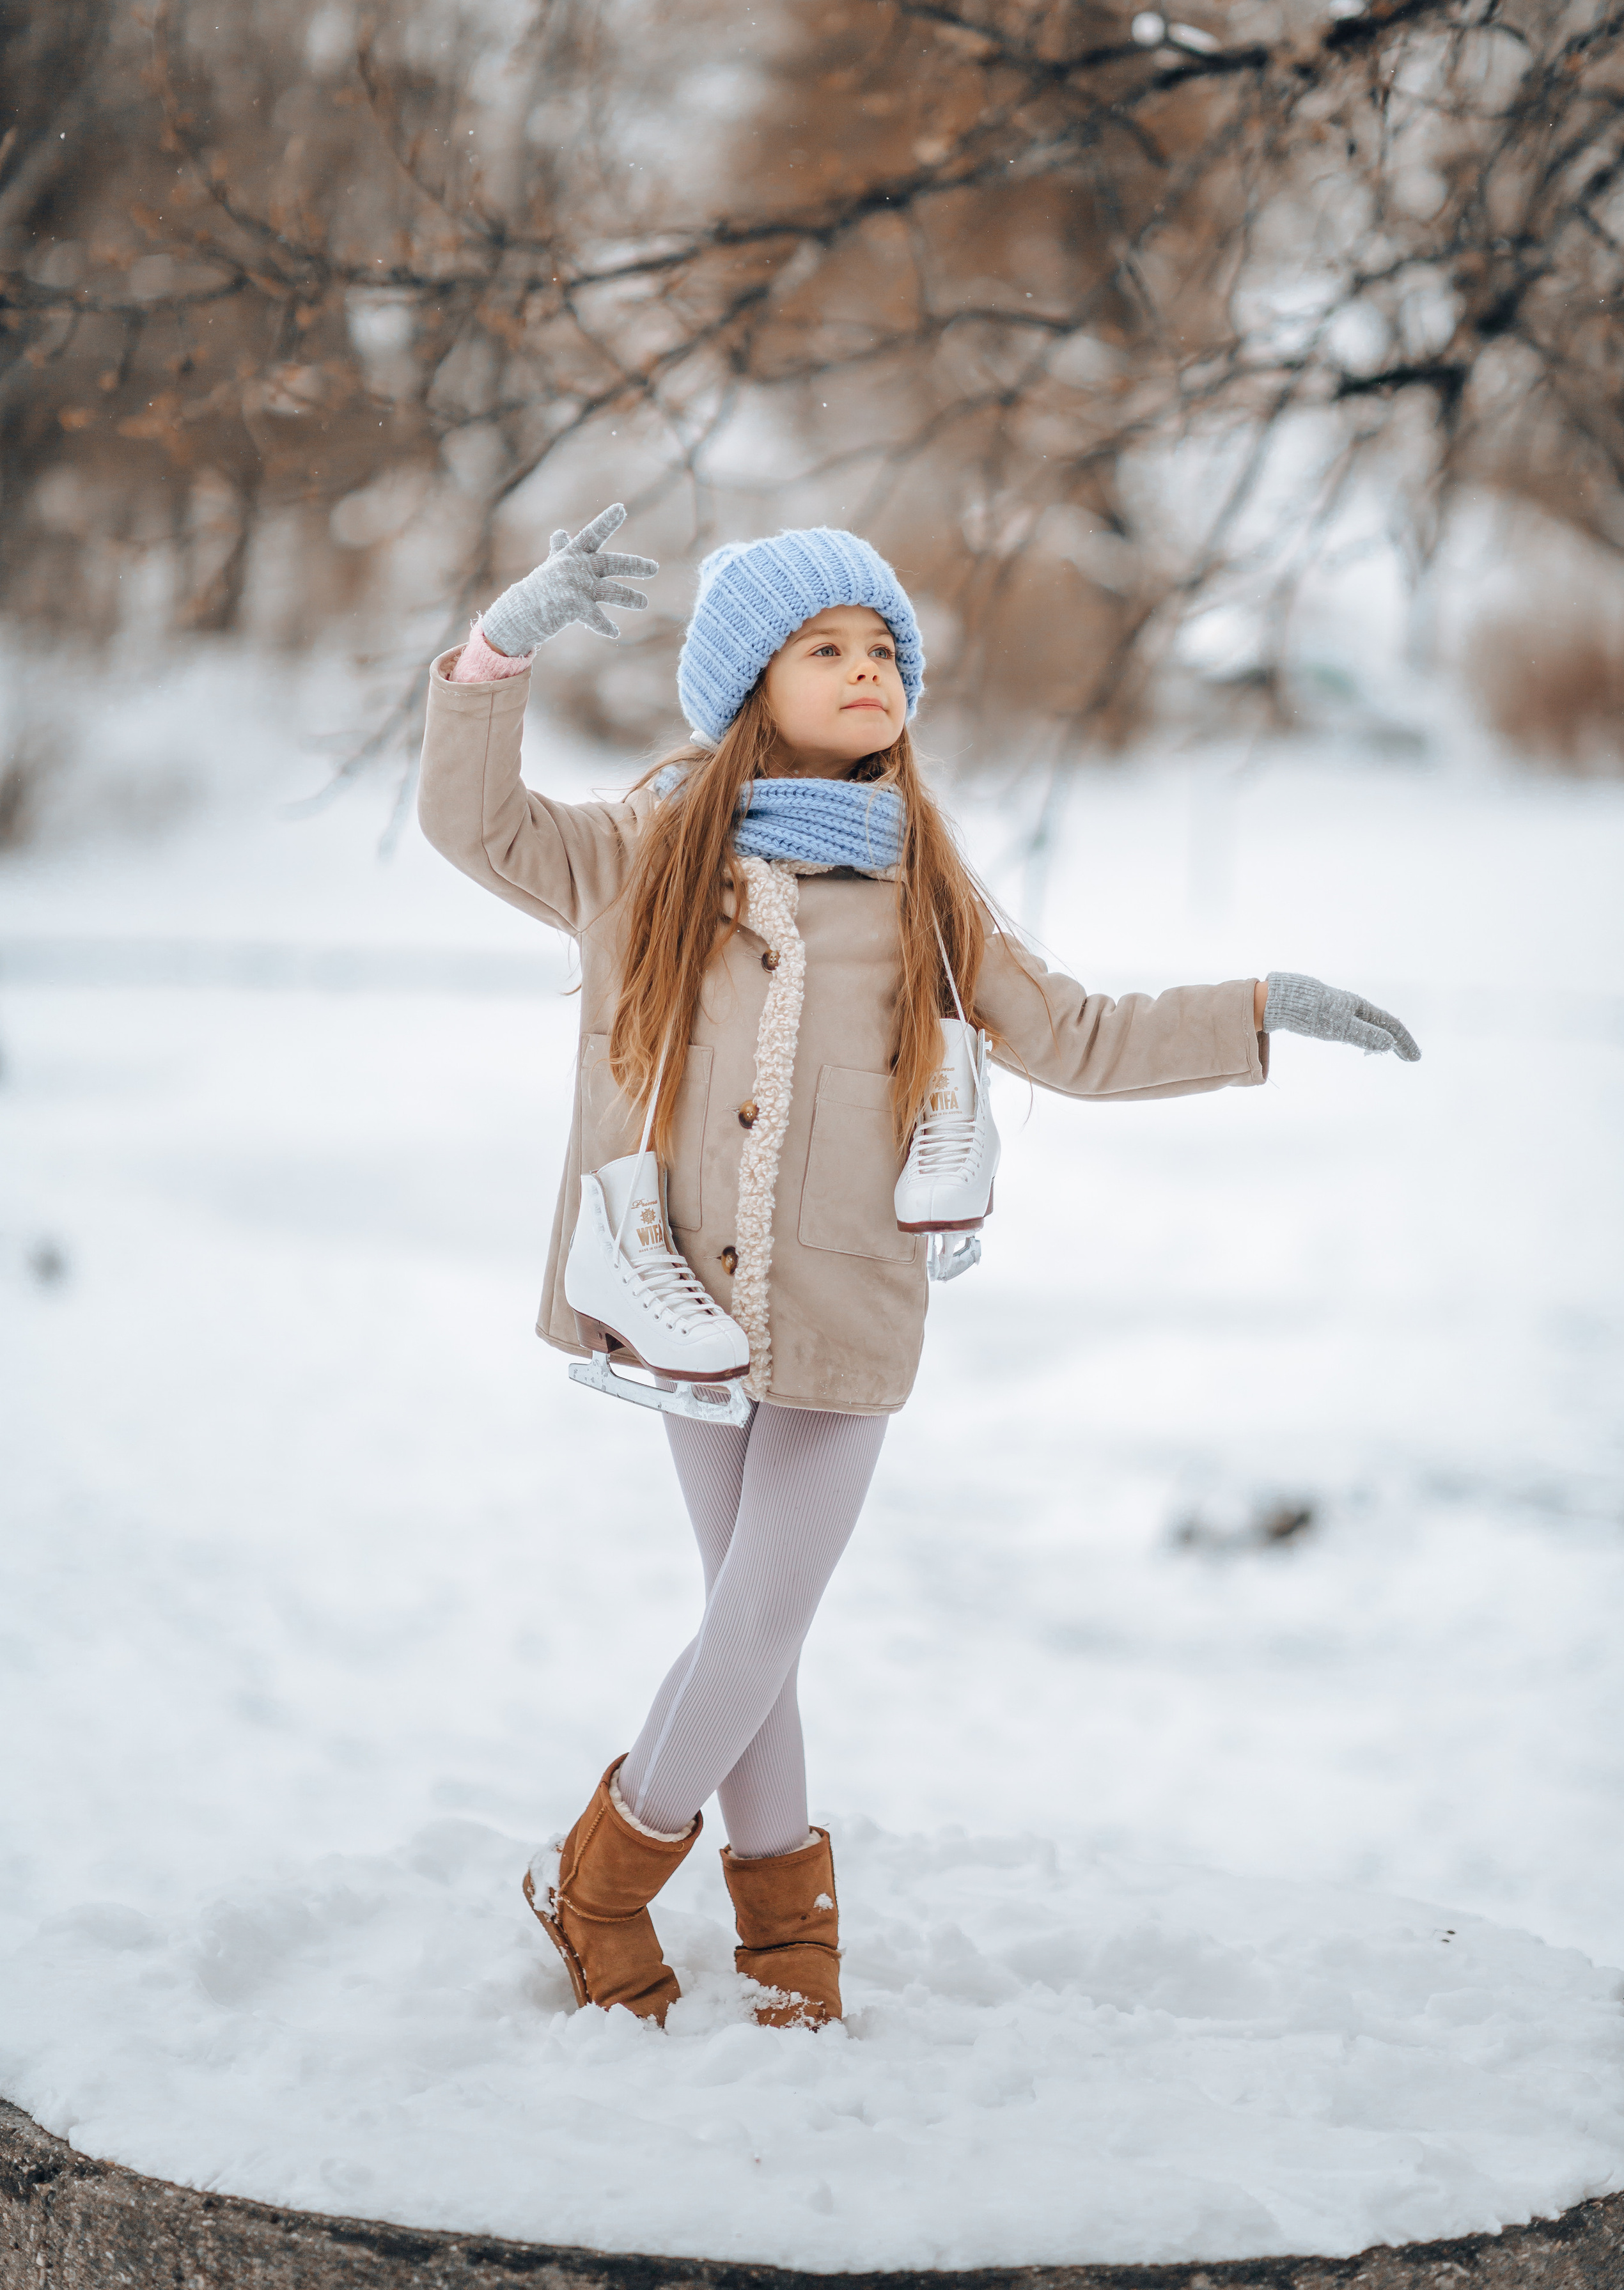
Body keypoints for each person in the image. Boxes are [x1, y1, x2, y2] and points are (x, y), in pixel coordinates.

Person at [418, 504, 1419, 2034]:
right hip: (680, 1298)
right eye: (825, 646)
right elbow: (471, 827)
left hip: (839, 1304)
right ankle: (784, 1944)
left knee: (755, 1622)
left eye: (883, 647)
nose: (866, 668)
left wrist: (1259, 1011)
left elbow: (1078, 1037)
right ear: (750, 681)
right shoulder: (642, 856)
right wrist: (500, 648)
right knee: (750, 1624)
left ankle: (601, 1877)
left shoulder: (926, 895)